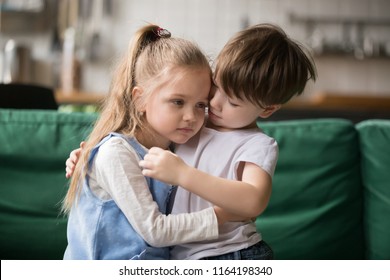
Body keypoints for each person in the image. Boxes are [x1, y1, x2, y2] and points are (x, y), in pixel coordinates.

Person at [66, 23, 317, 260]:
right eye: (215, 88)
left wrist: (183, 174)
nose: (213, 104)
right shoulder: (192, 128)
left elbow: (254, 200)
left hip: (231, 252)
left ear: (268, 109)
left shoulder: (255, 144)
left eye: (232, 102)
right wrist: (90, 158)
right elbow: (130, 151)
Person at [62, 24, 233, 260]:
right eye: (177, 102)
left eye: (200, 105)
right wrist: (222, 216)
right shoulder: (116, 153)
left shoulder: (177, 148)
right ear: (140, 99)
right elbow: (155, 231)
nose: (191, 117)